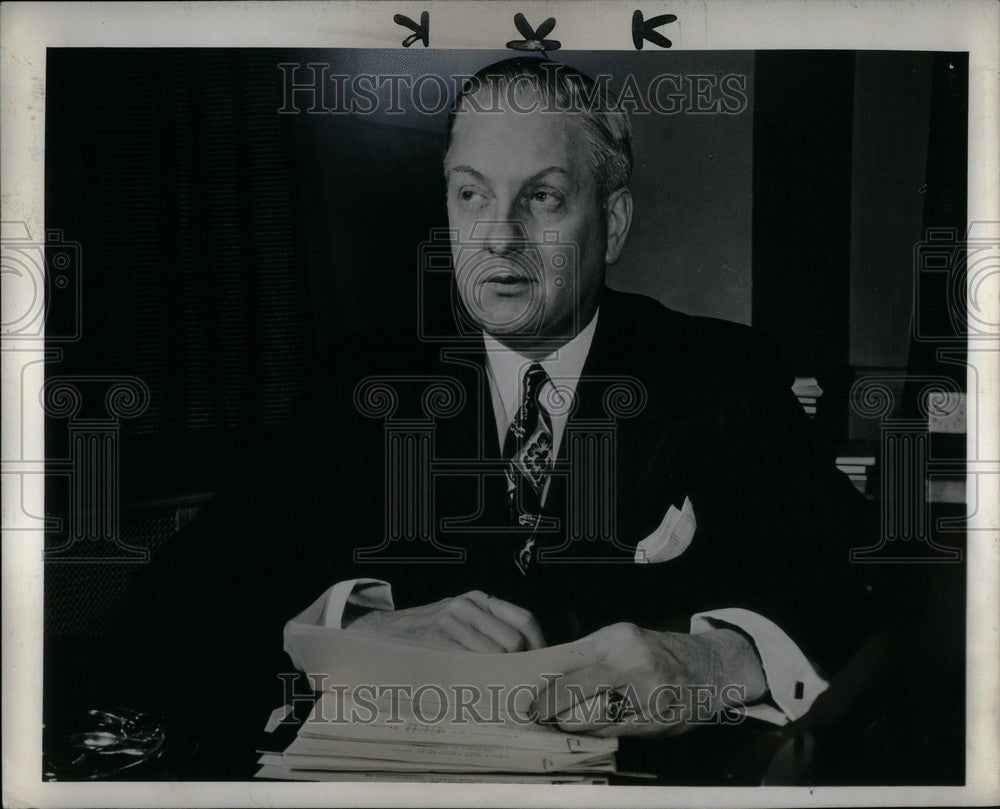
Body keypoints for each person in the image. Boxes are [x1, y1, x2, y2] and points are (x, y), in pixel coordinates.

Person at [127, 57, 884, 774]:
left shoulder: (721, 372)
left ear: (613, 222)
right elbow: (177, 594)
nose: (498, 237)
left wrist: (716, 660)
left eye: (543, 197)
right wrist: (348, 630)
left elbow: (863, 574)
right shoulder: (360, 382)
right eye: (472, 193)